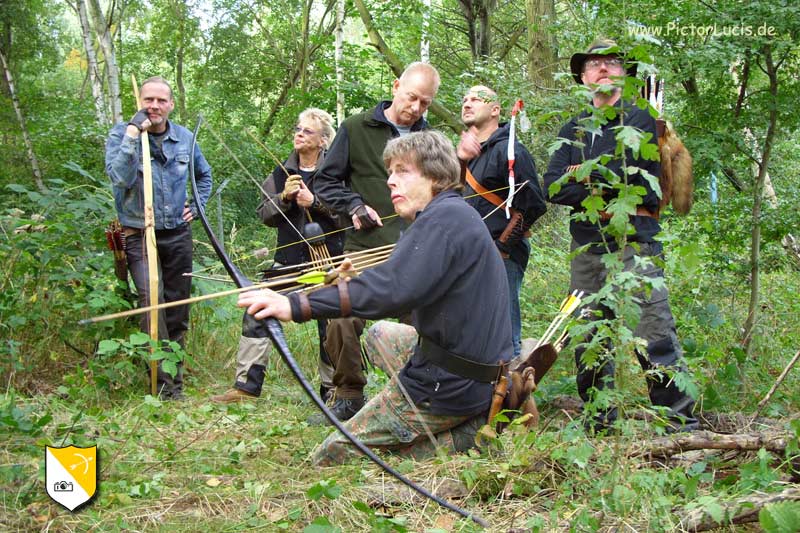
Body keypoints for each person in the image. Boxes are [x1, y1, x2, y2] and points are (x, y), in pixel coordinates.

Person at [238, 130, 513, 465]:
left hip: (449, 385)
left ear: (436, 174)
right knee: (382, 333)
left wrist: (293, 304)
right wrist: (352, 280)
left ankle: (463, 438)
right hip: (475, 371)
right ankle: (442, 416)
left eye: (402, 171)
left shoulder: (443, 220)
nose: (391, 182)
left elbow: (392, 290)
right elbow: (401, 278)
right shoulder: (449, 214)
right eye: (390, 173)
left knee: (330, 456)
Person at [542, 39, 698, 433]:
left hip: (636, 240)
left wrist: (584, 173)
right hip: (588, 245)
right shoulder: (573, 128)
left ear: (624, 73)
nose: (602, 69)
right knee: (589, 333)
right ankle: (599, 421)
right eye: (593, 64)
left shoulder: (643, 118)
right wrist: (595, 178)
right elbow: (552, 187)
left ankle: (680, 423)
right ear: (582, 75)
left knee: (653, 330)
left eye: (611, 63)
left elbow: (636, 177)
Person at [311, 62, 440, 422]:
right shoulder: (356, 128)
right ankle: (349, 395)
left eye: (425, 103)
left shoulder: (429, 140)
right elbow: (324, 182)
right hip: (365, 248)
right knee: (340, 310)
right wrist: (353, 204)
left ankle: (413, 395)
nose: (416, 108)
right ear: (397, 86)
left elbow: (445, 190)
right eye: (412, 97)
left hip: (416, 250)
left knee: (422, 320)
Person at [211, 108, 344, 403]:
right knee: (257, 308)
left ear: (323, 141)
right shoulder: (280, 173)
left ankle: (334, 390)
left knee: (332, 321)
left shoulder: (336, 172)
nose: (298, 134)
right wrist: (283, 198)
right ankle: (246, 386)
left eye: (307, 131)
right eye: (297, 128)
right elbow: (264, 215)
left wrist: (316, 202)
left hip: (328, 264)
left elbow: (347, 215)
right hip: (288, 263)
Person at [105, 76, 212, 400]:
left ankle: (172, 382)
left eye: (160, 100)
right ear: (139, 101)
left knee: (177, 308)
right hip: (140, 234)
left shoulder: (184, 139)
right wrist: (132, 135)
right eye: (148, 99)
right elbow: (119, 178)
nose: (154, 106)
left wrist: (197, 206)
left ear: (170, 104)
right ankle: (162, 383)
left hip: (177, 235)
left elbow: (203, 176)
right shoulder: (122, 135)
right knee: (151, 303)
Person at [457, 85, 547, 357]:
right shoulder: (469, 152)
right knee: (475, 326)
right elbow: (451, 196)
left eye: (476, 99)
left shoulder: (512, 151)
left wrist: (501, 248)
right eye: (464, 99)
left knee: (503, 330)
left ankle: (511, 384)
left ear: (495, 110)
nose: (467, 103)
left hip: (503, 254)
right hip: (471, 253)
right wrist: (460, 160)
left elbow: (532, 205)